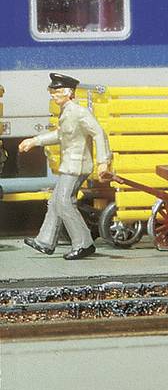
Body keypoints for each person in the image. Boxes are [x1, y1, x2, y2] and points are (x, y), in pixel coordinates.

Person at [19, 75, 109, 261]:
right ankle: (45, 241)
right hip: (69, 164)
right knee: (55, 201)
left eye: (58, 91)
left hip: (77, 166)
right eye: (53, 92)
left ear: (69, 93)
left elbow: (98, 133)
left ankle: (84, 243)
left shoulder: (79, 112)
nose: (54, 95)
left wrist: (103, 161)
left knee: (64, 201)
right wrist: (34, 141)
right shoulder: (67, 112)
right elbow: (60, 134)